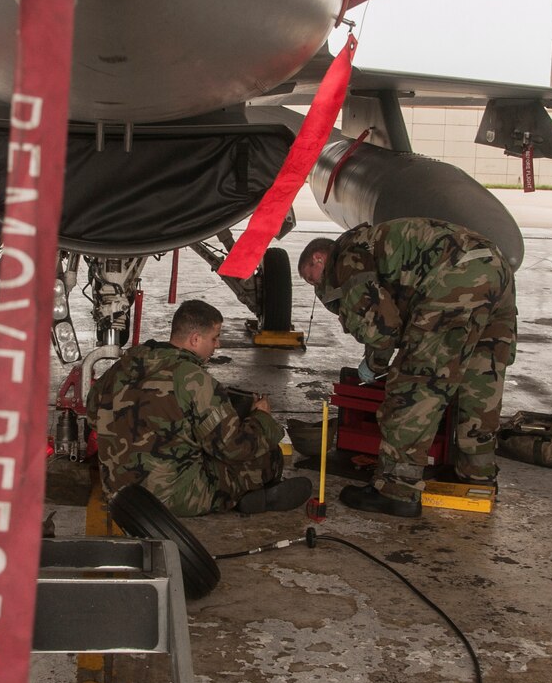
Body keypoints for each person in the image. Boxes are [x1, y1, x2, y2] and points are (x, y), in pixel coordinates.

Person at [299, 218, 517, 518]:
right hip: (495, 267)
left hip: (455, 275)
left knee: (416, 382)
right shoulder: (374, 243)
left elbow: (382, 327)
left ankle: (396, 489)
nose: (318, 289)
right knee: (480, 377)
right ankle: (477, 475)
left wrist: (373, 363)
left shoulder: (346, 256)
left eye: (312, 279)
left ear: (319, 258)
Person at [90, 299, 313, 518]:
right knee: (268, 457)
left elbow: (92, 415)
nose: (218, 345)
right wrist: (261, 418)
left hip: (119, 493)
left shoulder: (125, 363)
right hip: (171, 497)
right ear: (195, 339)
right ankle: (250, 498)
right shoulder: (193, 379)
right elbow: (233, 447)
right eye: (215, 338)